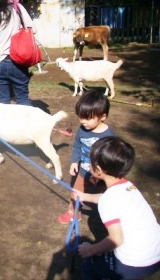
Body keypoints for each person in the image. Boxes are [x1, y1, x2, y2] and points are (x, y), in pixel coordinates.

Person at [74, 136, 160, 279]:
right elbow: (105, 198)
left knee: (89, 265)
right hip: (158, 253)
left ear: (97, 170)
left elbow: (116, 239)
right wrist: (84, 196)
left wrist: (90, 250)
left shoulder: (109, 200)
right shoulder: (127, 186)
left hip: (136, 263)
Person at [57, 90, 114, 224]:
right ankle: (74, 213)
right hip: (84, 171)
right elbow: (77, 146)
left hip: (103, 175)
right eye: (81, 117)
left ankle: (112, 215)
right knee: (75, 194)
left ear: (103, 116)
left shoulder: (109, 138)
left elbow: (110, 160)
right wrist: (74, 162)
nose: (83, 122)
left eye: (88, 118)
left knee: (109, 196)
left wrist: (101, 175)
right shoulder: (82, 130)